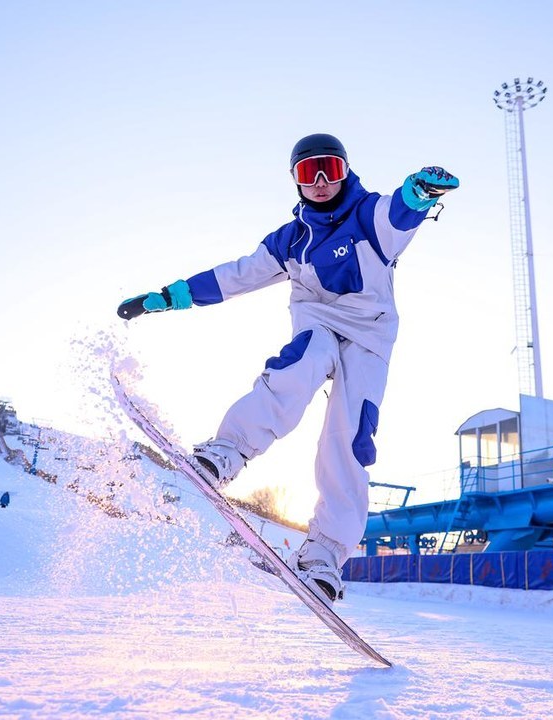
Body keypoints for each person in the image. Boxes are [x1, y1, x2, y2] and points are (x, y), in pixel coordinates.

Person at [118, 133, 458, 605]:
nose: (319, 182)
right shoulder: (291, 240)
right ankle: (226, 452)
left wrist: (420, 193)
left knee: (351, 436)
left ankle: (324, 555)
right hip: (317, 323)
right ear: (295, 180)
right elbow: (233, 276)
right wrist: (166, 298)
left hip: (370, 337)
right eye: (308, 173)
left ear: (345, 172)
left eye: (330, 171)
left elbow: (398, 213)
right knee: (304, 362)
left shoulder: (368, 215)